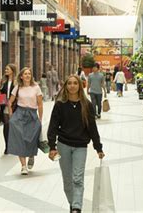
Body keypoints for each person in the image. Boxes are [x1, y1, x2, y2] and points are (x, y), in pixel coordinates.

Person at [48, 75, 105, 213]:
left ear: (80, 85)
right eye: (69, 83)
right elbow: (53, 126)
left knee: (78, 178)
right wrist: (52, 147)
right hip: (63, 145)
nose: (72, 86)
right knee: (68, 181)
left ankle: (76, 208)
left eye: (75, 83)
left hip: (80, 146)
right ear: (66, 86)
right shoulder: (60, 104)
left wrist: (98, 148)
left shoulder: (87, 105)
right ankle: (73, 204)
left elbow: (92, 128)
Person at [7, 67, 43, 175]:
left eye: (29, 73)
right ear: (21, 76)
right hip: (20, 114)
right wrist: (11, 117)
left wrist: (40, 119)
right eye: (25, 74)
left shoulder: (36, 87)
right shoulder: (18, 87)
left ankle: (31, 156)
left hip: (32, 114)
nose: (27, 75)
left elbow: (40, 104)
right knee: (19, 139)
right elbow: (10, 102)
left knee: (31, 139)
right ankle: (23, 166)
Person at [0, 64, 17, 153]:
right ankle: (7, 146)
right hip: (5, 106)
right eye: (5, 69)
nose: (6, 70)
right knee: (6, 126)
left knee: (14, 126)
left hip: (14, 106)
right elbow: (1, 95)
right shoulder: (4, 81)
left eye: (7, 69)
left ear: (12, 70)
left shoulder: (17, 82)